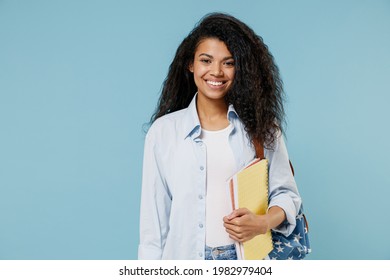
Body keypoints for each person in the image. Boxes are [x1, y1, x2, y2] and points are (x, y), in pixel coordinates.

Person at [138, 12, 301, 260]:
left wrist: (262, 222)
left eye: (229, 62)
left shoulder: (263, 129)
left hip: (246, 262)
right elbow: (153, 226)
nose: (216, 72)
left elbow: (287, 195)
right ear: (191, 64)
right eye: (206, 60)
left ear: (241, 69)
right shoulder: (163, 132)